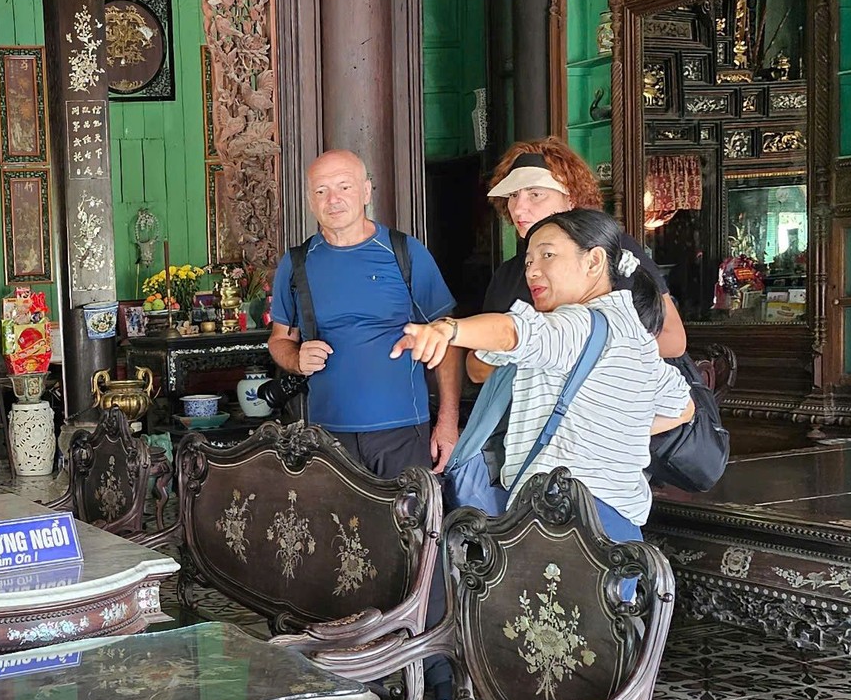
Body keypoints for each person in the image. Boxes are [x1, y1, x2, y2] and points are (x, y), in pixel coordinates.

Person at [393, 209, 695, 540]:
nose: (532, 271)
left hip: (562, 527)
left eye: (547, 255)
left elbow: (514, 332)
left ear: (593, 262)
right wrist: (606, 426)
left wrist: (448, 329)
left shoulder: (576, 325)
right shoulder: (635, 334)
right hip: (619, 529)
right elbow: (682, 407)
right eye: (528, 262)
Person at [267, 149, 461, 477]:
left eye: (345, 186)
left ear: (367, 191)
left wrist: (448, 422)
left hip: (403, 430)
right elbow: (279, 341)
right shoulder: (296, 262)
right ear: (310, 201)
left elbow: (450, 338)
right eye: (321, 191)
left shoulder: (405, 252)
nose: (333, 199)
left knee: (408, 525)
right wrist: (296, 358)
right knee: (336, 528)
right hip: (326, 434)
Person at [468, 139, 686, 386]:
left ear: (571, 198)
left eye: (535, 194)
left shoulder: (612, 250)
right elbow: (476, 366)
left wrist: (572, 352)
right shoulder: (508, 274)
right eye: (513, 195)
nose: (519, 208)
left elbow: (673, 339)